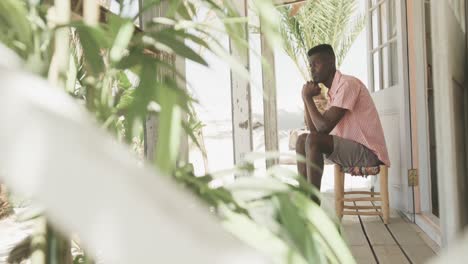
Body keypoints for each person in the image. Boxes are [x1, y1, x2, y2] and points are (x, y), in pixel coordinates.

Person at [296, 44, 390, 198]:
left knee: (313, 140)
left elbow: (323, 128)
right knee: (301, 140)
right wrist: (306, 99)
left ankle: (313, 202)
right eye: (310, 65)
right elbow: (315, 131)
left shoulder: (347, 85)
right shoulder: (334, 92)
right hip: (351, 150)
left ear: (331, 62)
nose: (312, 69)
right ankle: (303, 200)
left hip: (369, 153)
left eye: (316, 64)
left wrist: (307, 98)